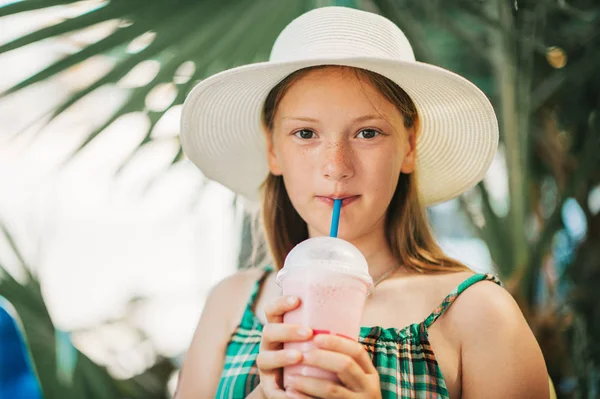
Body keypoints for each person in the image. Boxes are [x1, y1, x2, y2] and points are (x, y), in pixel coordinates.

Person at [175, 6, 549, 399]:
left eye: (368, 133)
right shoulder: (229, 306)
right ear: (273, 149)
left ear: (409, 145)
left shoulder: (479, 316)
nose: (336, 167)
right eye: (305, 133)